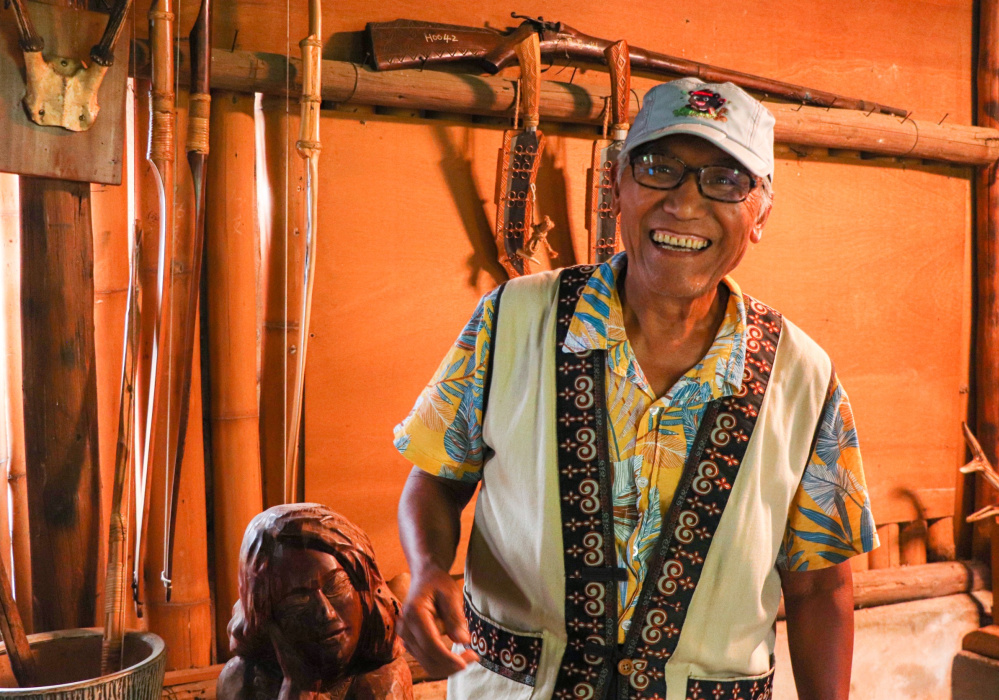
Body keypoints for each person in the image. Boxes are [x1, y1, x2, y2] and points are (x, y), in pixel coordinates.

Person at [394, 78, 878, 700]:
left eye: (725, 181)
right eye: (659, 169)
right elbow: (436, 478)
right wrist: (427, 568)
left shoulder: (804, 376)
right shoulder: (513, 319)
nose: (684, 203)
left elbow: (820, 585)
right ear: (617, 184)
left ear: (760, 213)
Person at [217, 503, 412, 700]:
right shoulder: (242, 680)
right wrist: (298, 687)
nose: (326, 612)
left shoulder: (383, 679)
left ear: (364, 591)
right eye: (299, 599)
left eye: (336, 585)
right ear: (265, 613)